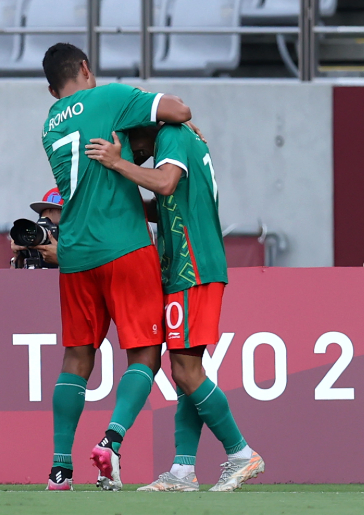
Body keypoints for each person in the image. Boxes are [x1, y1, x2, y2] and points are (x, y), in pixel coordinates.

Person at [40, 43, 193, 491]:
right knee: (145, 352)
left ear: (53, 90)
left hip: (75, 252)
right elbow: (180, 111)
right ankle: (112, 441)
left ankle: (59, 468)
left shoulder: (49, 123)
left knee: (76, 357)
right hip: (124, 247)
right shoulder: (110, 96)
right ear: (86, 68)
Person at [85, 123, 264, 492]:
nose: (132, 154)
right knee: (185, 370)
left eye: (128, 146)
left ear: (140, 131)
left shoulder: (172, 137)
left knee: (185, 370)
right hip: (184, 268)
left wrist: (119, 165)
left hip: (193, 266)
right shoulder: (180, 139)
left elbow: (165, 183)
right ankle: (183, 470)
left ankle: (242, 454)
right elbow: (164, 203)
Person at [11, 187, 62, 268]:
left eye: (53, 228)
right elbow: (12, 280)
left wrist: (62, 259)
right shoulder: (34, 250)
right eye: (42, 226)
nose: (48, 232)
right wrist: (18, 258)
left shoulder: (83, 253)